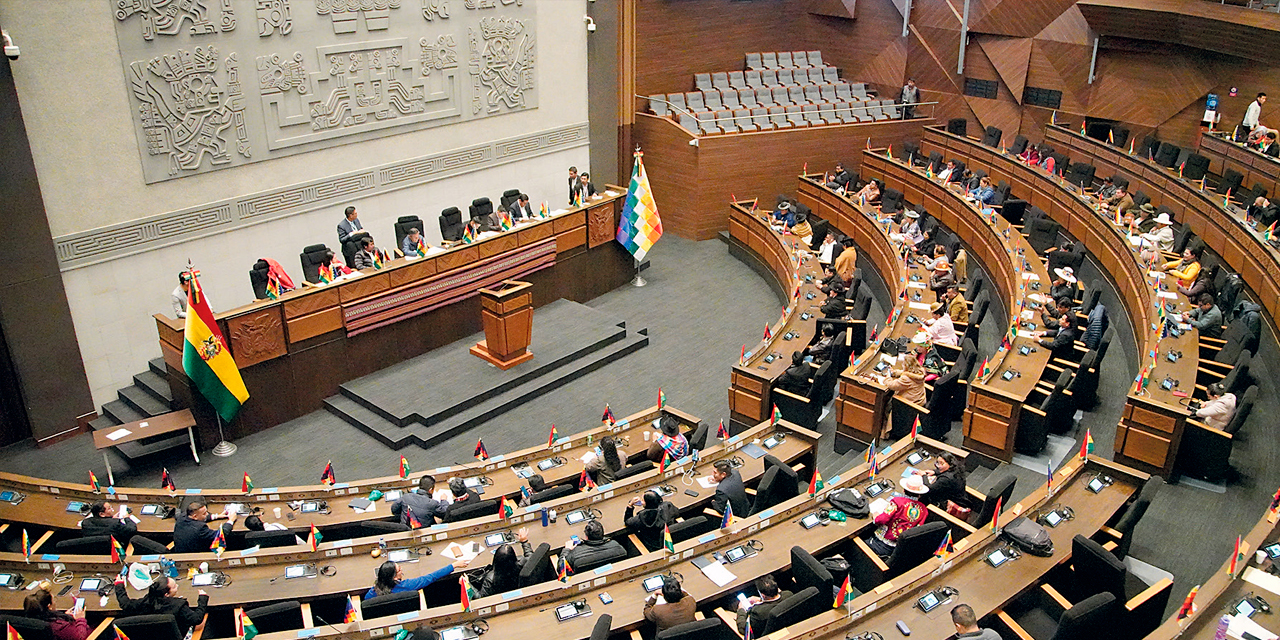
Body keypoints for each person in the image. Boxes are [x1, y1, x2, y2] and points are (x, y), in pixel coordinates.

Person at [114, 576, 208, 638]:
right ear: (166, 594)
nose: (177, 586)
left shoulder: (144, 602)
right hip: (178, 635)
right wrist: (202, 600)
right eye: (174, 586)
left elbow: (125, 604)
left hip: (150, 636)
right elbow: (197, 619)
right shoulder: (178, 606)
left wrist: (119, 585)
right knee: (203, 621)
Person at [866, 475, 929, 557]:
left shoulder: (897, 502)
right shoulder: (924, 509)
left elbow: (882, 520)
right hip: (899, 548)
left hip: (881, 543)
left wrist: (876, 517)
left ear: (904, 490)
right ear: (919, 495)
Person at [366, 557, 469, 599]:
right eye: (399, 570)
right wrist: (454, 565)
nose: (402, 571)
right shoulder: (406, 586)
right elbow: (431, 577)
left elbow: (366, 601)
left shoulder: (373, 591)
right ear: (393, 577)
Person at [477, 528, 532, 597]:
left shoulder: (491, 578)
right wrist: (524, 541)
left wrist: (468, 585)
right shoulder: (521, 563)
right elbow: (531, 557)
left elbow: (480, 597)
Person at [23, 588, 90, 640]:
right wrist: (80, 619)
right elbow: (81, 638)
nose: (55, 602)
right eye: (53, 600)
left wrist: (66, 616)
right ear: (49, 606)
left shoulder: (30, 622)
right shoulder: (59, 627)